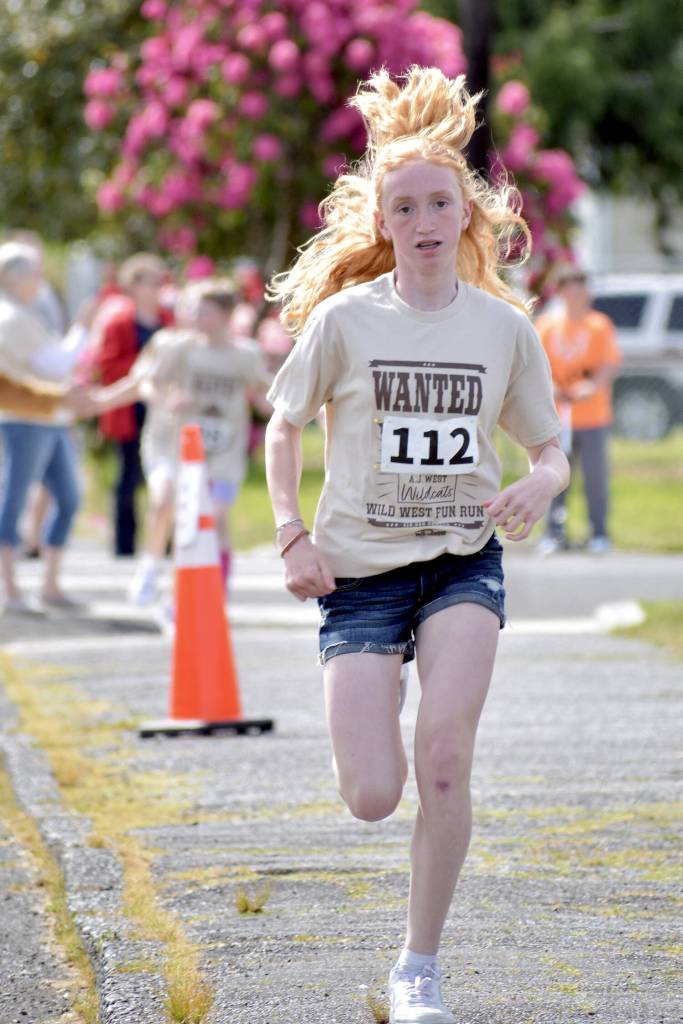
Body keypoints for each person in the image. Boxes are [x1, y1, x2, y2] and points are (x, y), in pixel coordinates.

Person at [264, 67, 570, 1024]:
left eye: (442, 201)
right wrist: (289, 535)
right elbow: (281, 426)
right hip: (356, 574)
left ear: (467, 218)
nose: (426, 217)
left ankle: (418, 969)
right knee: (369, 794)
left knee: (444, 759)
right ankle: (374, 686)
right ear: (383, 224)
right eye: (406, 205)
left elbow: (550, 447)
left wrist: (538, 482)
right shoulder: (344, 322)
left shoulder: (503, 330)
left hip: (460, 561)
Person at [87, 278, 271, 604]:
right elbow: (144, 383)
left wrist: (291, 415)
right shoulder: (174, 346)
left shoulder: (244, 354)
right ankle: (150, 567)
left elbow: (263, 396)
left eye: (204, 310)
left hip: (222, 452)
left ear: (227, 315)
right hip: (171, 444)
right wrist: (164, 399)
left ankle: (214, 588)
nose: (193, 315)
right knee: (165, 501)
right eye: (190, 308)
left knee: (214, 516)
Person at [0, 242, 92, 612]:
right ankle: (10, 588)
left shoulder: (22, 314)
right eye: (34, 273)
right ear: (12, 277)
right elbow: (59, 365)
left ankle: (48, 584)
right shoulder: (12, 317)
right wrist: (83, 328)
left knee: (68, 498)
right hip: (25, 422)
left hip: (47, 420)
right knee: (14, 499)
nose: (40, 281)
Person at [535, 264, 622, 554]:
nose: (576, 296)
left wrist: (592, 387)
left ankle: (599, 533)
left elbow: (609, 364)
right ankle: (554, 533)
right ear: (561, 293)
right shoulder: (548, 325)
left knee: (595, 478)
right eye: (569, 290)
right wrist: (550, 388)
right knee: (555, 477)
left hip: (593, 416)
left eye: (580, 290)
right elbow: (535, 365)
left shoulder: (599, 325)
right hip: (557, 419)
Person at [90, 253, 173, 556]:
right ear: (134, 285)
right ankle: (124, 546)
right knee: (128, 477)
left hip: (163, 411)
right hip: (129, 409)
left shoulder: (167, 320)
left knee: (167, 477)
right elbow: (107, 365)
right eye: (151, 281)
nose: (157, 288)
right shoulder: (119, 321)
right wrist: (146, 364)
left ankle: (165, 544)